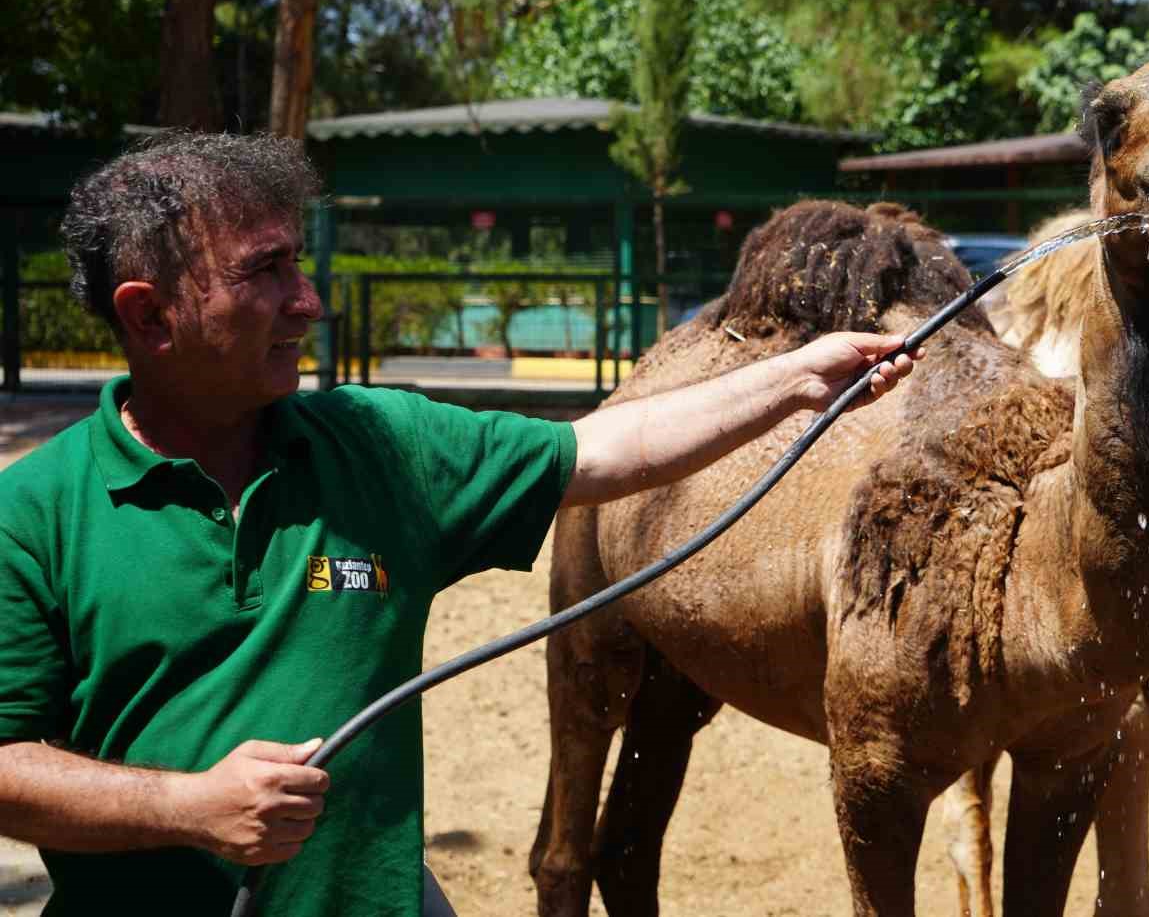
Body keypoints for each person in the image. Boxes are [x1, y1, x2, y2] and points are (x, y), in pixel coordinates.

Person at [0, 133, 920, 917]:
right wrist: (189, 808)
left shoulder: (380, 446)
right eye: (265, 272)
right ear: (149, 316)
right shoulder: (34, 513)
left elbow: (604, 447)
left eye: (300, 263)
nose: (308, 301)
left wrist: (800, 379)